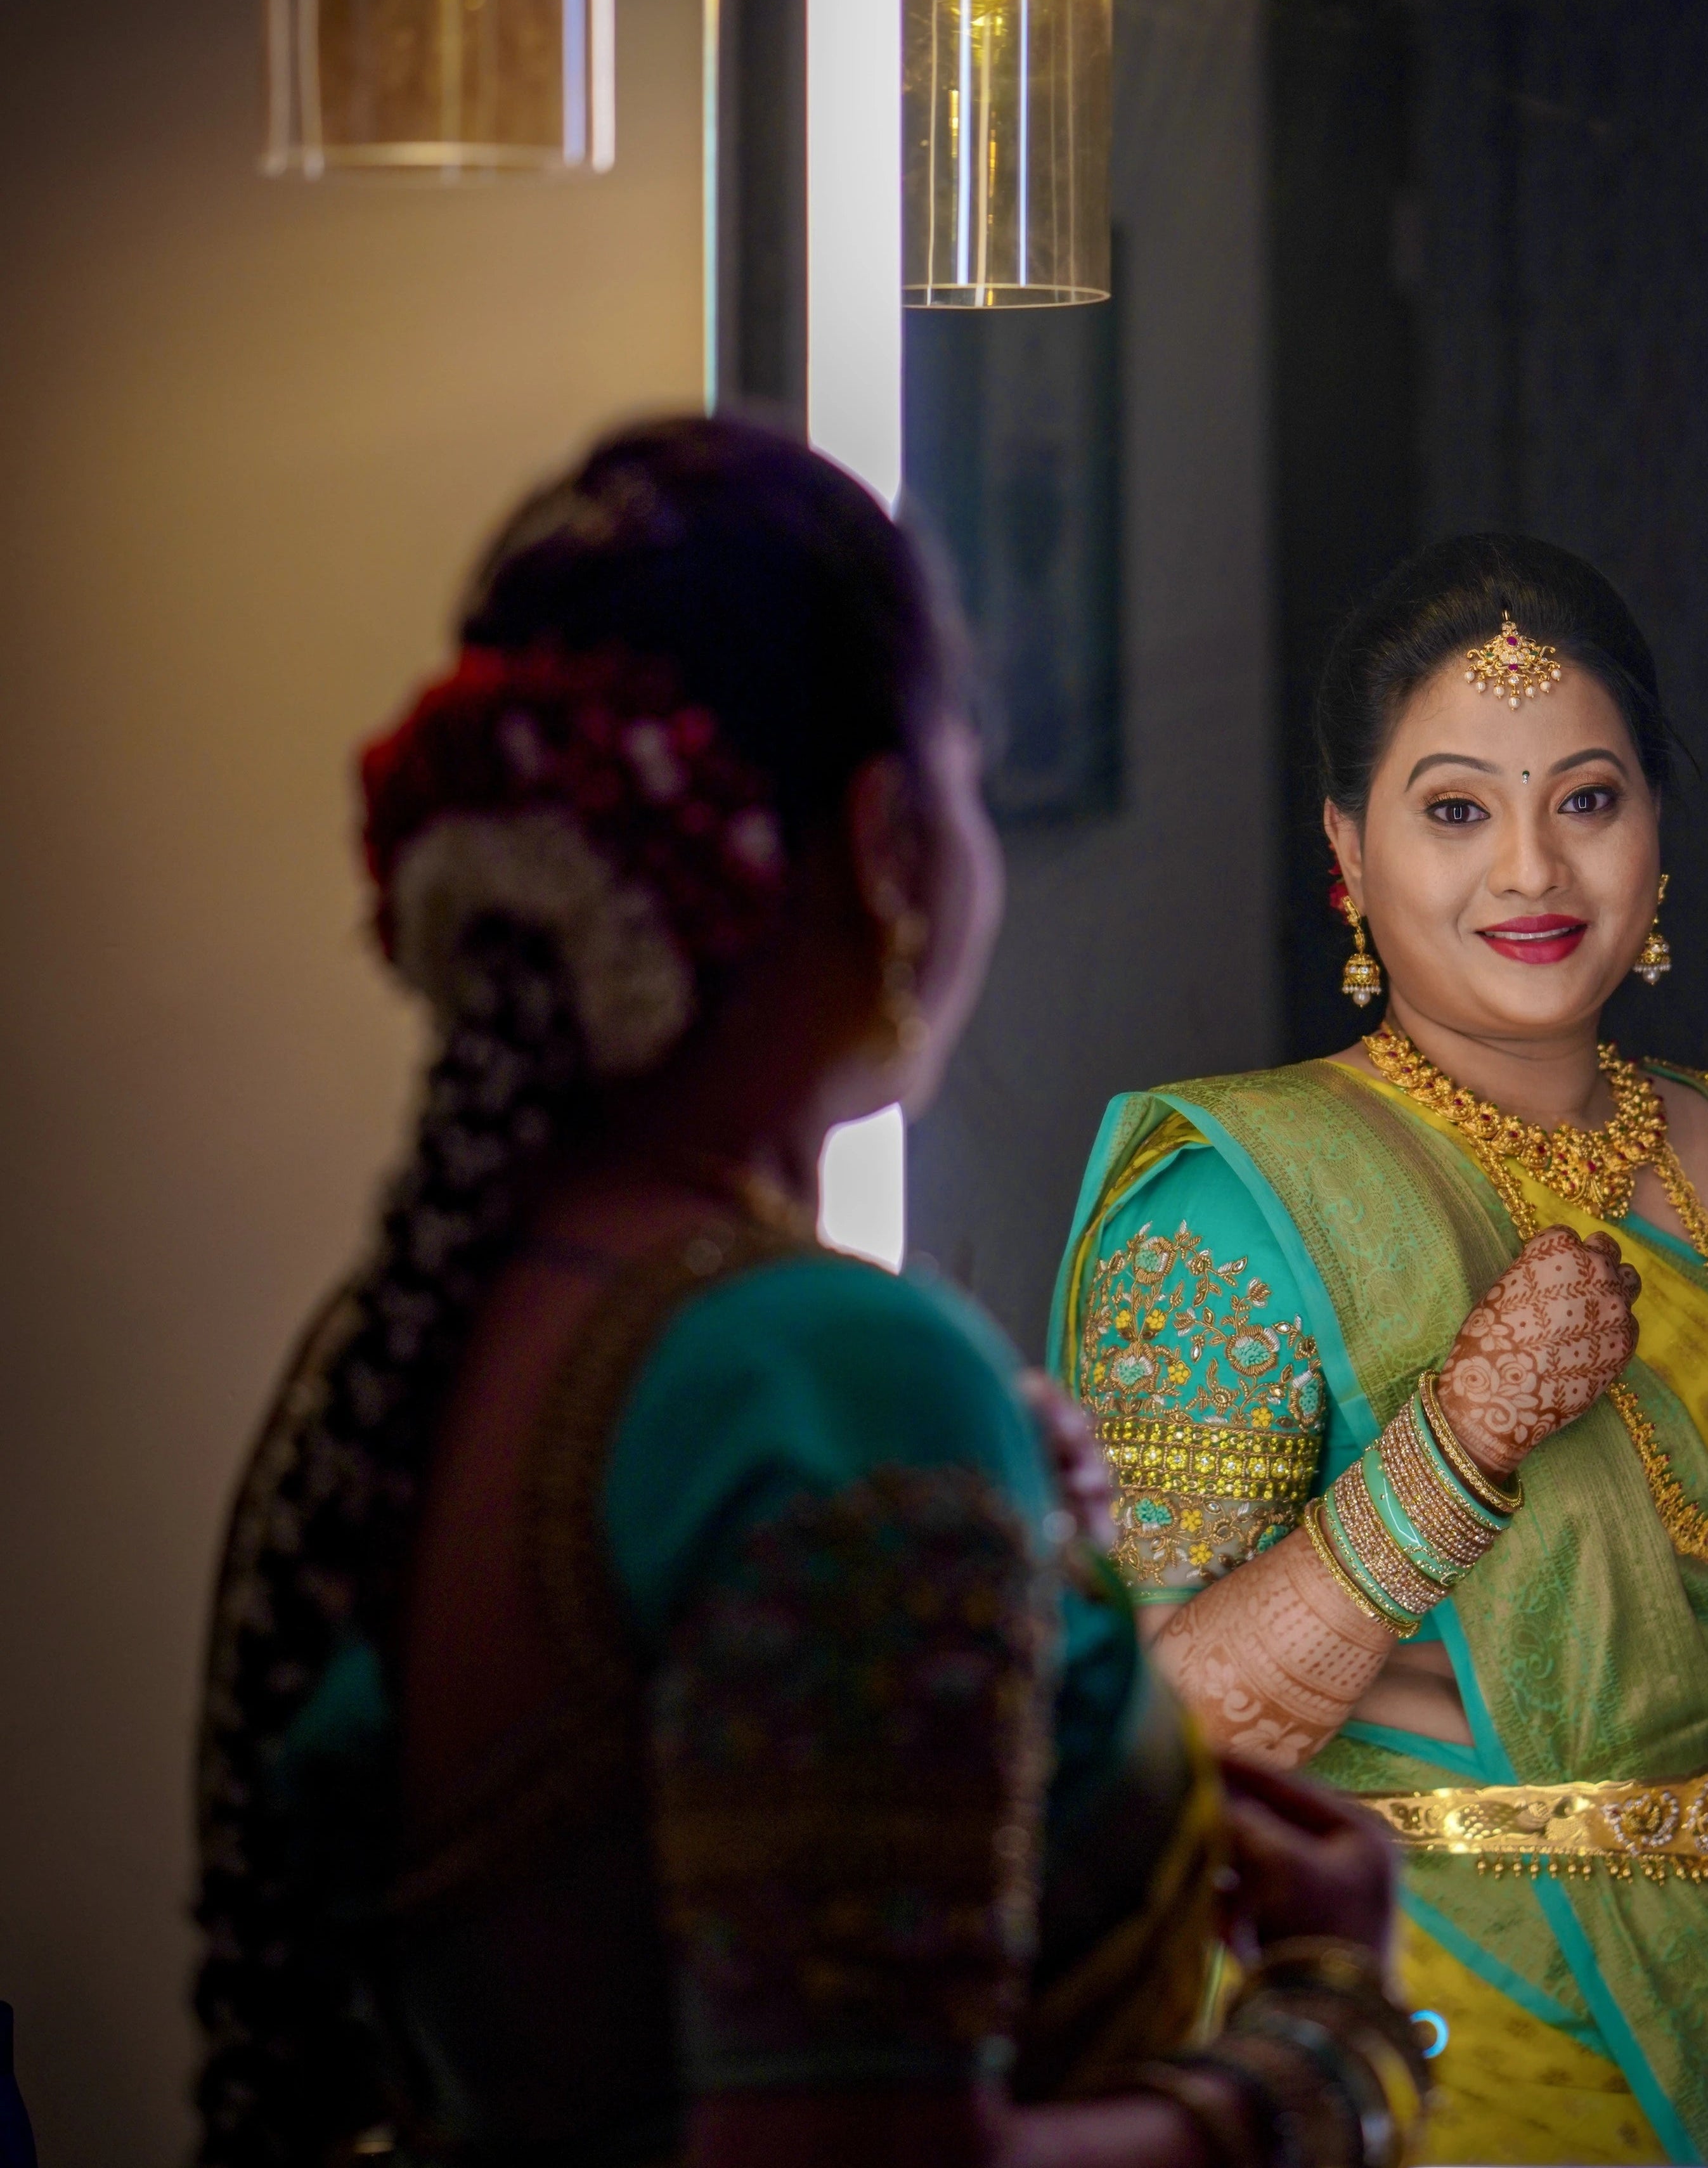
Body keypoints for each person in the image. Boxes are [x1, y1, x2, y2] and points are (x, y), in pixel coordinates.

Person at [193, 417, 1422, 2168]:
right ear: (887, 847)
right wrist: (1324, 2045)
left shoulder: (419, 1343)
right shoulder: (826, 1376)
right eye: (970, 774)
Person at [1051, 531, 1708, 2167]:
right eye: (1457, 809)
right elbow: (1143, 1740)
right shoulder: (1236, 1213)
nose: (1534, 875)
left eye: (1589, 799)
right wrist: (1456, 1443)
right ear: (1348, 852)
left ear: (1659, 829)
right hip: (1450, 2033)